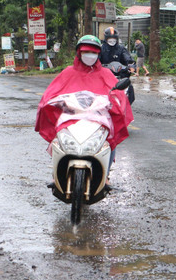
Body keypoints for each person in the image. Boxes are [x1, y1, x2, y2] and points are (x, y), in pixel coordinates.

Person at [35, 35, 133, 179]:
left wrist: (115, 103)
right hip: (70, 118)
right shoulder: (68, 72)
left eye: (93, 52)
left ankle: (105, 176)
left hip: (98, 119)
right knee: (58, 140)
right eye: (86, 52)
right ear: (79, 53)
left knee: (110, 140)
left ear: (98, 54)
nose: (90, 55)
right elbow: (52, 93)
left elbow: (118, 96)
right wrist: (51, 103)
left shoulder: (106, 74)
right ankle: (57, 175)